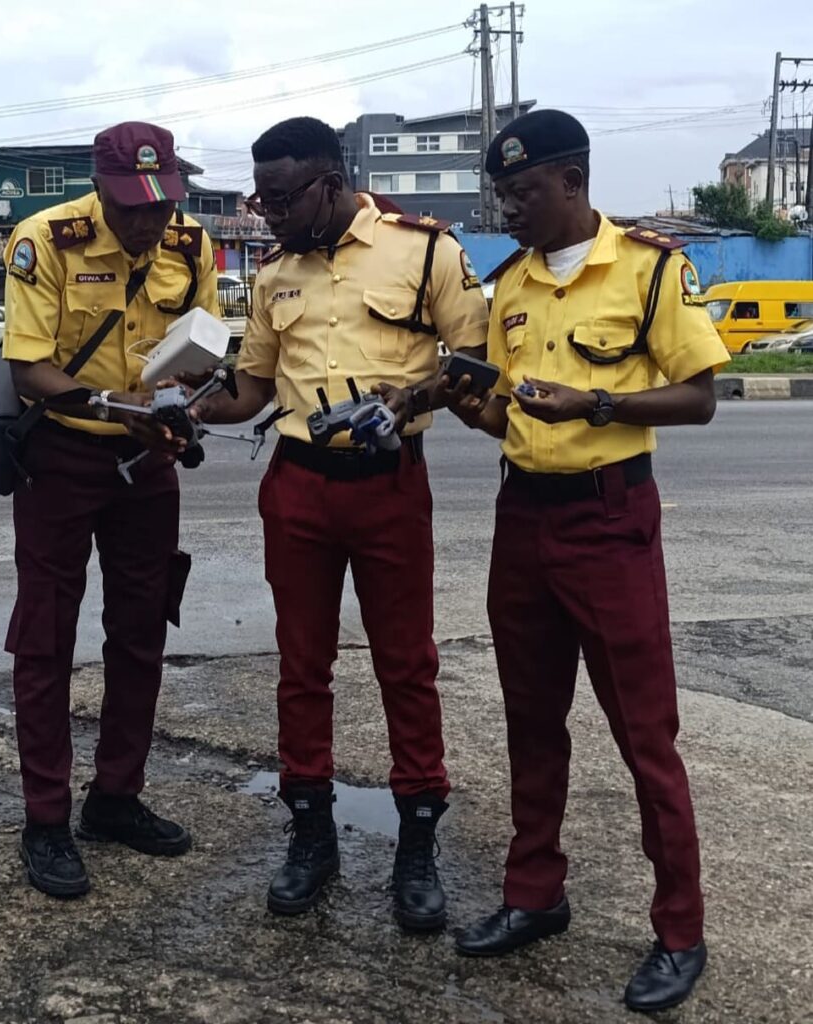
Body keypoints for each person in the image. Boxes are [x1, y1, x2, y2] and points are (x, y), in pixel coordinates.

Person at [446, 109, 729, 1012]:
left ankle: (680, 931)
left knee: (646, 737)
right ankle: (535, 895)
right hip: (521, 519)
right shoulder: (511, 285)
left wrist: (596, 404)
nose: (512, 210)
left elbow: (698, 400)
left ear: (572, 182)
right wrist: (467, 404)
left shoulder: (648, 271)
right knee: (531, 722)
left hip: (611, 522)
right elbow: (503, 415)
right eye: (503, 195)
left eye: (524, 193)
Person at [195, 116, 488, 929]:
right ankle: (311, 833)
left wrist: (415, 398)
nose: (269, 213)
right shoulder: (273, 274)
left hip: (390, 485)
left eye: (282, 197)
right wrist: (182, 404)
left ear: (332, 180)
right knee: (301, 665)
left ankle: (418, 837)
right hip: (297, 488)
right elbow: (251, 390)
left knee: (407, 664)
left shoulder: (425, 251)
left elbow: (474, 368)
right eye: (261, 199)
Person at [3, 121, 220, 898]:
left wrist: (182, 403)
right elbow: (28, 368)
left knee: (140, 625)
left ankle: (116, 798)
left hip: (148, 459)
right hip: (61, 455)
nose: (147, 224)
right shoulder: (43, 241)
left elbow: (201, 345)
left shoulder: (192, 246)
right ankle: (46, 818)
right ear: (99, 188)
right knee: (46, 636)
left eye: (160, 207)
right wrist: (117, 405)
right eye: (131, 208)